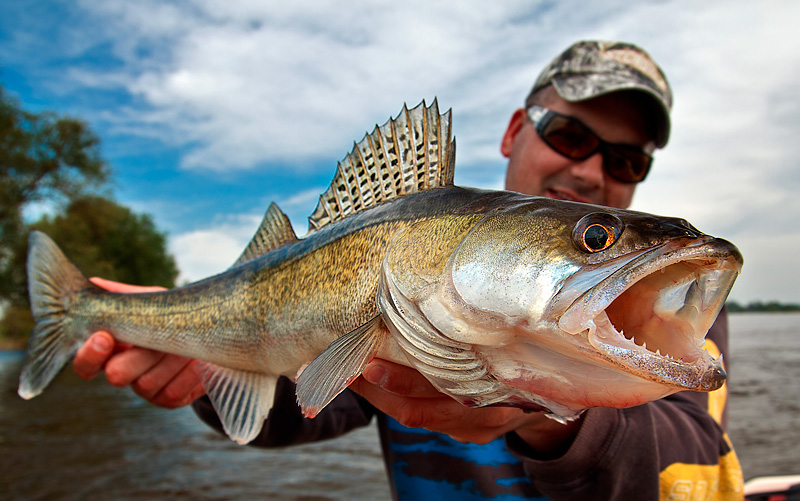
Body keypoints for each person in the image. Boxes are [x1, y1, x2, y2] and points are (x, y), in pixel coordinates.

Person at [73, 41, 743, 499]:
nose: (592, 171)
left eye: (627, 160)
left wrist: (545, 419)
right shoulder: (406, 285)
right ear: (515, 129)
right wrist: (201, 369)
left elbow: (694, 464)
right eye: (569, 135)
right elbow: (304, 413)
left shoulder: (656, 307)